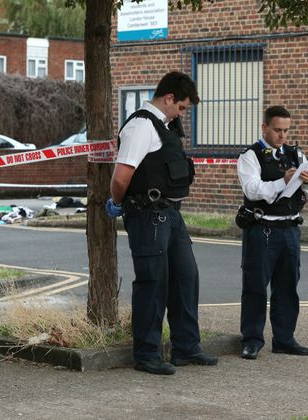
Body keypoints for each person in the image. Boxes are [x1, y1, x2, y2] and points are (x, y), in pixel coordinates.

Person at [106, 71, 218, 375]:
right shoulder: (142, 126)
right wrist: (117, 204)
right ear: (168, 98)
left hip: (170, 214)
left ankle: (186, 347)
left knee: (185, 278)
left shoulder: (164, 126)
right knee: (152, 283)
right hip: (148, 214)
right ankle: (146, 354)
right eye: (181, 107)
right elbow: (121, 176)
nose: (182, 114)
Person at [237, 105, 308, 360]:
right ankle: (252, 340)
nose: (282, 135)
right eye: (277, 130)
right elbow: (252, 190)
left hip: (290, 227)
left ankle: (284, 339)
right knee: (255, 287)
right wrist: (283, 181)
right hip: (262, 228)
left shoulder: (296, 154)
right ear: (264, 128)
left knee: (287, 287)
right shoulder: (251, 156)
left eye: (286, 130)